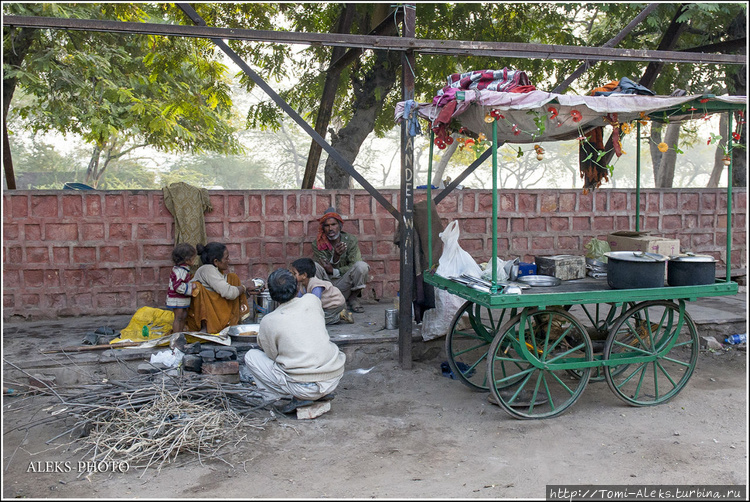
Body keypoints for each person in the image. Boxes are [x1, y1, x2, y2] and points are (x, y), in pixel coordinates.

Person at [244, 268, 346, 408]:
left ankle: (273, 398)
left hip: (303, 387)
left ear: (272, 295)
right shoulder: (312, 300)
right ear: (297, 287)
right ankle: (317, 393)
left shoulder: (268, 321)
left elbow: (272, 355)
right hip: (332, 379)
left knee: (251, 356)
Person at [185, 242, 257, 333]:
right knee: (233, 280)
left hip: (217, 313)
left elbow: (221, 296)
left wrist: (246, 293)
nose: (229, 261)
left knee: (232, 278)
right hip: (208, 317)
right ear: (216, 261)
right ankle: (207, 327)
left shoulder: (216, 271)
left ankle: (229, 323)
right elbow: (228, 293)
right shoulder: (207, 269)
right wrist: (243, 288)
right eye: (226, 258)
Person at [312, 208, 370, 313]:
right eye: (327, 225)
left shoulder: (350, 240)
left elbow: (353, 264)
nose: (330, 228)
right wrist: (335, 257)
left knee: (362, 266)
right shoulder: (318, 244)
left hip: (344, 284)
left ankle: (352, 299)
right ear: (323, 228)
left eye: (333, 224)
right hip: (328, 286)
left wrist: (334, 270)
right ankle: (320, 301)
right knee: (314, 266)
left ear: (340, 226)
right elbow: (324, 268)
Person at [291, 257, 353, 325]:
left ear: (304, 275)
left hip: (335, 304)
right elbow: (300, 299)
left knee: (318, 320)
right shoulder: (303, 284)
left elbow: (316, 304)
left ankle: (339, 315)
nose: (293, 276)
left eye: (294, 273)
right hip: (326, 305)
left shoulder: (315, 286)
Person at [166, 243, 197, 333]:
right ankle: (176, 336)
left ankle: (180, 333)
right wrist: (191, 287)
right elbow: (178, 286)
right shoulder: (180, 271)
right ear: (187, 260)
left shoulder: (184, 269)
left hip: (181, 299)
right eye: (193, 259)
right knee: (178, 317)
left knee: (183, 316)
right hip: (177, 299)